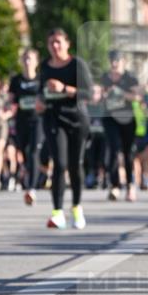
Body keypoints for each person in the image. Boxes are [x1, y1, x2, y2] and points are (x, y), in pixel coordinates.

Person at [37, 28, 92, 230]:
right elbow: (41, 91)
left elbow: (89, 93)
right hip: (53, 118)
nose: (55, 46)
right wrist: (39, 102)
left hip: (76, 118)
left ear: (67, 44)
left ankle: (76, 207)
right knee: (59, 164)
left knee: (75, 165)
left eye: (58, 42)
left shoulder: (77, 64)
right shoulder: (45, 66)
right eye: (51, 42)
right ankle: (57, 212)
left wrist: (65, 89)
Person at [101, 50, 140, 201]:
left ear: (124, 61)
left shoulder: (130, 78)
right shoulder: (105, 77)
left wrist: (121, 93)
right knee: (113, 149)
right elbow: (97, 95)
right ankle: (115, 185)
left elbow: (137, 96)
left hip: (127, 119)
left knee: (127, 153)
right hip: (109, 117)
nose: (114, 63)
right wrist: (102, 95)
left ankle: (130, 185)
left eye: (117, 60)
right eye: (112, 60)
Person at [8, 48, 42, 205]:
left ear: (36, 62)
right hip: (21, 121)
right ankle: (30, 175)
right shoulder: (16, 80)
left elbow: (47, 98)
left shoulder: (41, 79)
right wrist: (9, 109)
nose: (28, 62)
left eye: (30, 59)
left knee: (34, 151)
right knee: (24, 152)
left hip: (38, 120)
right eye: (25, 58)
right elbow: (11, 100)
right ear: (22, 61)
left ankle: (31, 188)